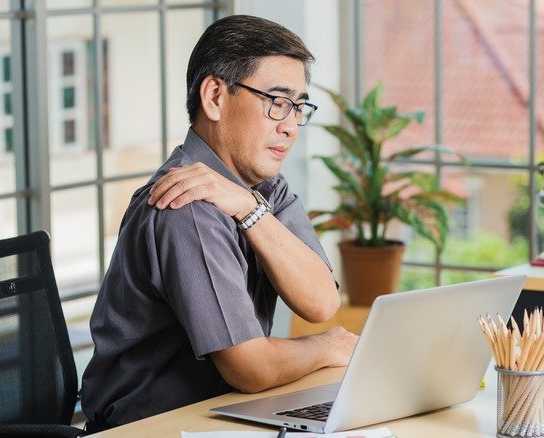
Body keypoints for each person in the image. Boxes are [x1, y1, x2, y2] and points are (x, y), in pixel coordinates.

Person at [81, 14, 358, 432]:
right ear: (214, 96)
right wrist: (325, 347)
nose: (290, 126)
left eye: (299, 107)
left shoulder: (260, 187)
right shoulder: (186, 205)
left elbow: (320, 302)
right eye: (277, 102)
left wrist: (249, 208)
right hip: (150, 427)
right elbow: (251, 369)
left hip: (220, 414)